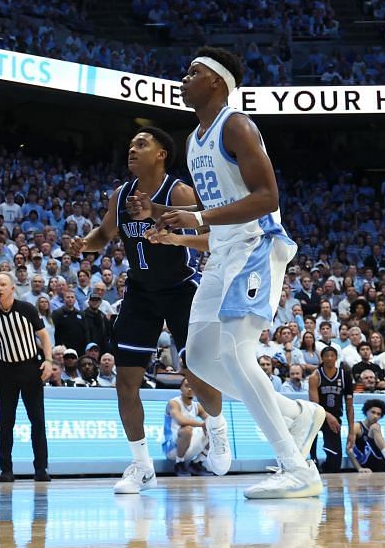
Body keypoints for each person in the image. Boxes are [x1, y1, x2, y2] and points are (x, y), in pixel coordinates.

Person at [140, 46, 328, 500]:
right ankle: (295, 415)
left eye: (193, 71)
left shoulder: (237, 125)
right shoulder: (194, 139)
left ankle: (296, 467)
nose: (183, 79)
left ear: (217, 83)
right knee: (200, 358)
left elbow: (265, 198)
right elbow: (215, 213)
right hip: (223, 254)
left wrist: (198, 219)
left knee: (240, 355)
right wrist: (174, 223)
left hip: (256, 247)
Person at [68, 127, 211, 494]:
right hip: (141, 292)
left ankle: (219, 435)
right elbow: (104, 234)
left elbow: (211, 227)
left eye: (142, 144)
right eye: (130, 144)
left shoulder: (178, 192)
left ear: (162, 153)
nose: (132, 148)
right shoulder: (121, 195)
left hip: (180, 289)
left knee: (197, 371)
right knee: (125, 382)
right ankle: (142, 464)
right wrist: (83, 246)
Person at [0, 272, 58, 483]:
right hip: (6, 372)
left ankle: (41, 469)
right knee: (5, 423)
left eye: (3, 284)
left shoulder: (27, 309)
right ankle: (6, 470)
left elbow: (43, 335)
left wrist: (49, 361)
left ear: (12, 288)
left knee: (37, 421)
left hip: (30, 368)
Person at [310, 344, 351, 472]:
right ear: (322, 358)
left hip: (335, 419)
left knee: (335, 465)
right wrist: (328, 415)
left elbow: (349, 406)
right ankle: (313, 460)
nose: (329, 358)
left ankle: (327, 466)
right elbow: (315, 405)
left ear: (336, 358)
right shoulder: (315, 377)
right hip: (317, 417)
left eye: (332, 355)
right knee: (312, 458)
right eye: (326, 356)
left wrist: (351, 432)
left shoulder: (345, 376)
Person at [166, 374, 211, 474]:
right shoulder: (173, 403)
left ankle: (197, 463)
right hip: (172, 448)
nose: (190, 389)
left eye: (193, 386)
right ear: (181, 388)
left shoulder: (197, 406)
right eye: (186, 385)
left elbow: (210, 419)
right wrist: (202, 425)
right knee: (186, 429)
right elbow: (180, 421)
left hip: (189, 445)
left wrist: (209, 425)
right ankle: (179, 464)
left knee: (215, 429)